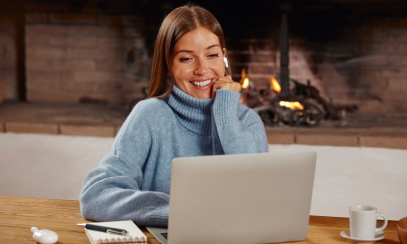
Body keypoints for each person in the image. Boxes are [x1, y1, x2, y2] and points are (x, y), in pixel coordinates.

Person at [79, 3, 269, 227]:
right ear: (168, 65)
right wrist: (178, 212)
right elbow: (96, 195)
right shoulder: (150, 116)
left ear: (224, 58)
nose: (202, 69)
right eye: (186, 58)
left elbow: (257, 201)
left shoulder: (247, 121)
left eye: (212, 55)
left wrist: (226, 116)